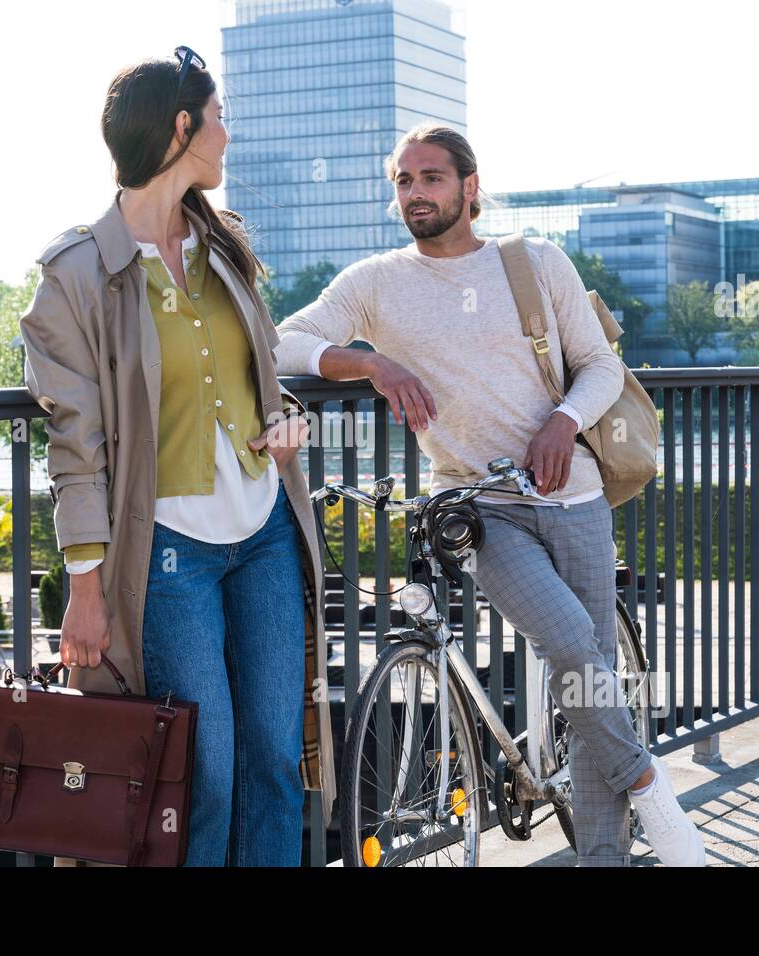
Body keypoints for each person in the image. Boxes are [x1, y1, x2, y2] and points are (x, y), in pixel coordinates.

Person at [274, 122, 706, 867]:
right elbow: (282, 342)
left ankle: (603, 856)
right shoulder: (377, 283)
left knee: (590, 682)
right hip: (478, 509)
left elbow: (600, 366)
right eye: (403, 182)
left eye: (431, 178)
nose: (415, 193)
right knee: (571, 647)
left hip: (574, 497)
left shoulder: (534, 262)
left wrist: (564, 423)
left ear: (470, 189)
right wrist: (371, 366)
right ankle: (647, 783)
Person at [18, 47, 336, 866]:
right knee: (206, 771)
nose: (229, 137)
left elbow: (263, 372)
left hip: (264, 532)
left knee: (274, 761)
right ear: (181, 128)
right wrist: (83, 589)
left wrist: (287, 421)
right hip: (168, 556)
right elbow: (74, 446)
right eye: (218, 118)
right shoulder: (76, 276)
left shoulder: (223, 247)